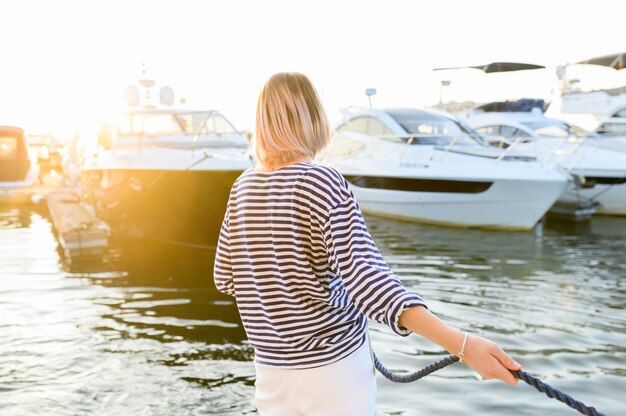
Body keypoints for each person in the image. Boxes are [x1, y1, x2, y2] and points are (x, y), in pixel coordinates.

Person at [214, 72, 521, 415]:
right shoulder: (321, 180)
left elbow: (225, 278)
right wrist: (463, 346)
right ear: (314, 118)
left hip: (271, 374)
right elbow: (368, 282)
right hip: (333, 372)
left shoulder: (242, 188)